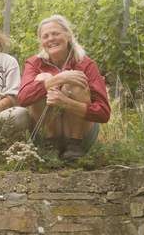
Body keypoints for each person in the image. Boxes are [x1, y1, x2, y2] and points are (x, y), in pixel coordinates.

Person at [17, 14, 110, 161]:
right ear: (41, 42)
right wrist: (59, 78)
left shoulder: (86, 64)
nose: (51, 39)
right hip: (44, 136)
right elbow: (22, 98)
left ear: (69, 36)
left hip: (82, 136)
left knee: (74, 81)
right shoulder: (35, 63)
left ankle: (75, 144)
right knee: (44, 78)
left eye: (55, 33)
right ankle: (49, 144)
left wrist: (65, 103)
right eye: (45, 36)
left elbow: (103, 113)